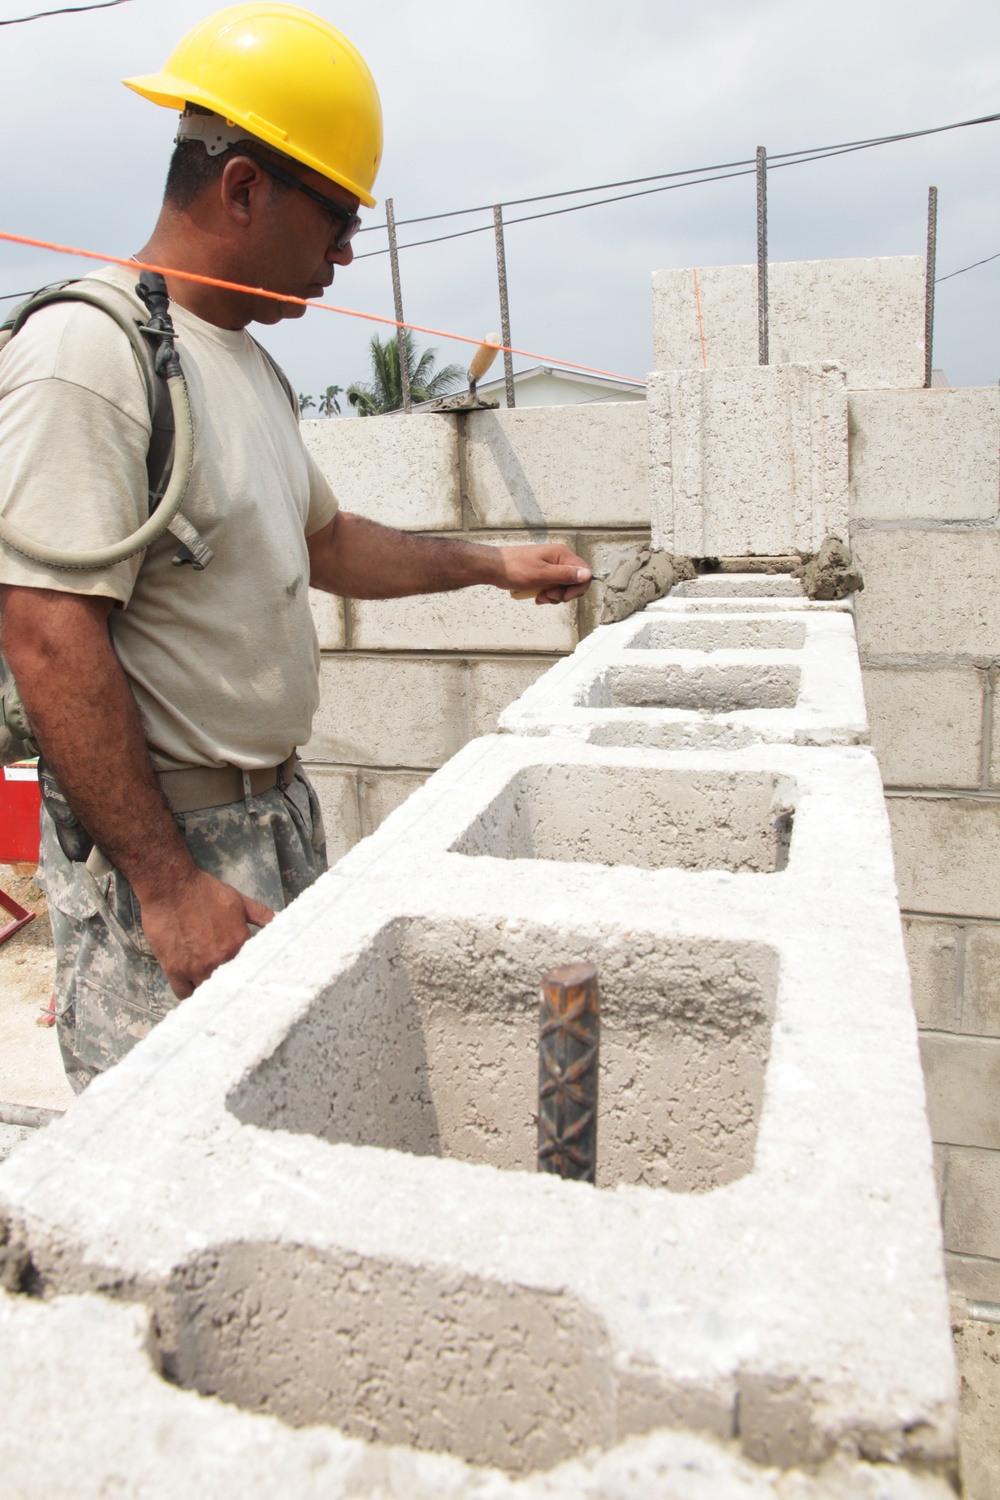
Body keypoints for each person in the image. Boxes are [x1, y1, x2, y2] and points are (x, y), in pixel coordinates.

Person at [0, 4, 593, 1092]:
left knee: (292, 1124)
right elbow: (45, 633)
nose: (345, 252)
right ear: (241, 189)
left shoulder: (243, 367)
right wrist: (171, 887)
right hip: (167, 841)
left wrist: (497, 566)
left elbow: (327, 544)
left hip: (271, 816)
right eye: (335, 216)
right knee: (174, 1171)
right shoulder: (89, 352)